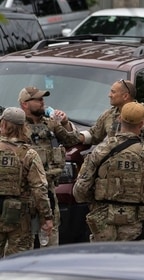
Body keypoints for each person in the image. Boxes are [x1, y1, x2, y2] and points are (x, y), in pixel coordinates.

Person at [73, 102, 144, 242]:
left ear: (119, 119)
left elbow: (79, 192)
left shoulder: (100, 151)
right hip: (136, 225)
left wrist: (97, 200)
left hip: (103, 223)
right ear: (142, 124)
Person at [18, 86, 80, 248]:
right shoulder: (17, 126)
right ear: (25, 104)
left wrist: (65, 122)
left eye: (42, 99)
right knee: (24, 239)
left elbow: (72, 141)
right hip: (24, 191)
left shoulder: (50, 124)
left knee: (51, 235)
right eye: (37, 100)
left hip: (49, 188)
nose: (42, 102)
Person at [79, 79, 144, 162]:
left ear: (125, 96)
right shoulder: (108, 115)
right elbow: (95, 134)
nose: (109, 95)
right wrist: (76, 135)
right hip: (113, 171)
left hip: (139, 172)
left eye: (113, 92)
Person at [0, 107, 53, 256]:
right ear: (24, 127)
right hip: (20, 217)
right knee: (18, 264)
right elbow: (39, 189)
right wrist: (46, 218)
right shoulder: (29, 154)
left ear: (3, 125)